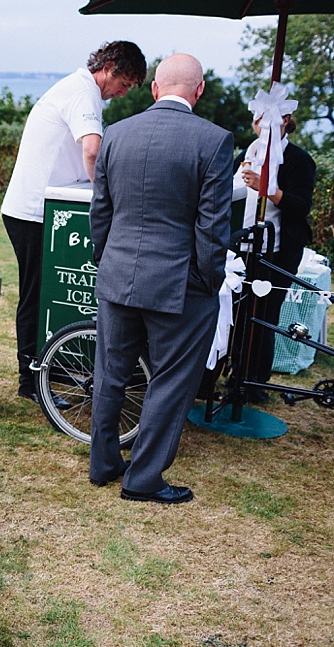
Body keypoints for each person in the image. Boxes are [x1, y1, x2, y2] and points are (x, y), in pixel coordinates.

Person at [89, 54, 233, 504]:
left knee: (111, 373)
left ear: (154, 88)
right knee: (170, 380)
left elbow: (101, 212)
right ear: (200, 90)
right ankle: (144, 479)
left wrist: (107, 260)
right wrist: (209, 283)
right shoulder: (214, 141)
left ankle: (104, 464)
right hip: (179, 284)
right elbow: (213, 228)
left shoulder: (116, 134)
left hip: (118, 275)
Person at [0, 41, 145, 405]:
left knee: (43, 292)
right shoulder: (85, 93)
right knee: (35, 294)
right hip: (33, 211)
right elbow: (92, 150)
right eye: (124, 84)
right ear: (109, 67)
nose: (122, 94)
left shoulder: (77, 87)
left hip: (32, 207)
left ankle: (47, 367)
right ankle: (29, 379)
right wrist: (106, 193)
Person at [231, 107, 316, 403]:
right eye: (258, 120)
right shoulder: (249, 152)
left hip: (280, 249)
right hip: (245, 245)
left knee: (264, 314)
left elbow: (300, 206)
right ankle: (235, 372)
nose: (263, 126)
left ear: (286, 122)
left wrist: (269, 189)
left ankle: (255, 381)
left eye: (272, 120)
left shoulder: (299, 160)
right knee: (238, 311)